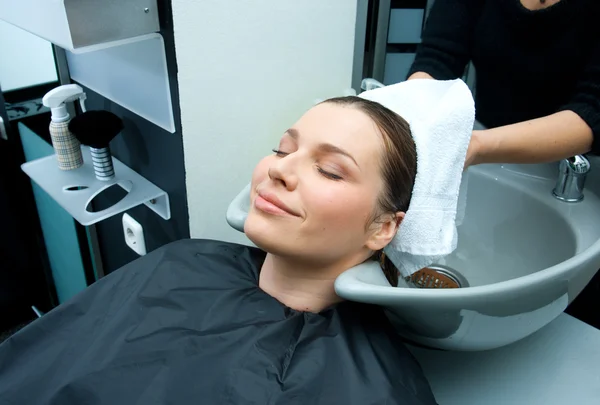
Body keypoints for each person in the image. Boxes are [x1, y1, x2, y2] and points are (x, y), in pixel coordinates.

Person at [0, 97, 437, 404]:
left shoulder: (371, 387)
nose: (280, 168)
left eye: (329, 170)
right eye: (282, 149)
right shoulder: (183, 259)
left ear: (383, 227)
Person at [407, 0, 600, 167]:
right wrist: (408, 116)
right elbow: (438, 58)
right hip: (484, 152)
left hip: (578, 177)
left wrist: (476, 145)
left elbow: (592, 111)